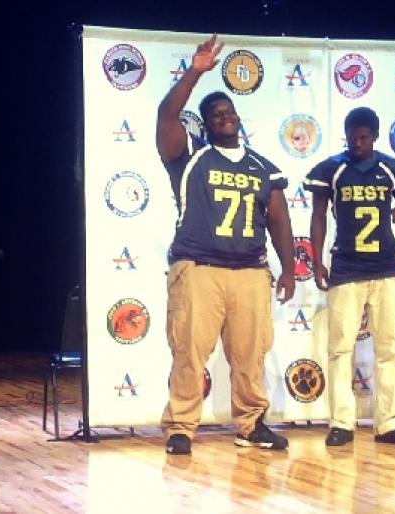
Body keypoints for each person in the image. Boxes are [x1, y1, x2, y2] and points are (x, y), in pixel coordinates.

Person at [157, 35, 296, 455]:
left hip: (251, 271)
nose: (224, 117)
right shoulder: (189, 157)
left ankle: (251, 424)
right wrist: (196, 71)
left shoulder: (263, 168)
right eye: (215, 115)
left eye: (229, 112)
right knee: (189, 353)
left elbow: (279, 220)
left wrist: (289, 268)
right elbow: (166, 113)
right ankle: (181, 427)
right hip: (199, 267)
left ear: (238, 118)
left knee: (250, 355)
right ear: (204, 123)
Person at [305, 107, 395, 447]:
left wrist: (387, 217)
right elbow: (318, 215)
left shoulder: (391, 169)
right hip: (346, 266)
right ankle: (342, 421)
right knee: (340, 348)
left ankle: (390, 422)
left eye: (364, 137)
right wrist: (316, 259)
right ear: (346, 135)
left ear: (374, 136)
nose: (357, 143)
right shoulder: (332, 169)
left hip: (385, 267)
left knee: (388, 347)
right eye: (352, 137)